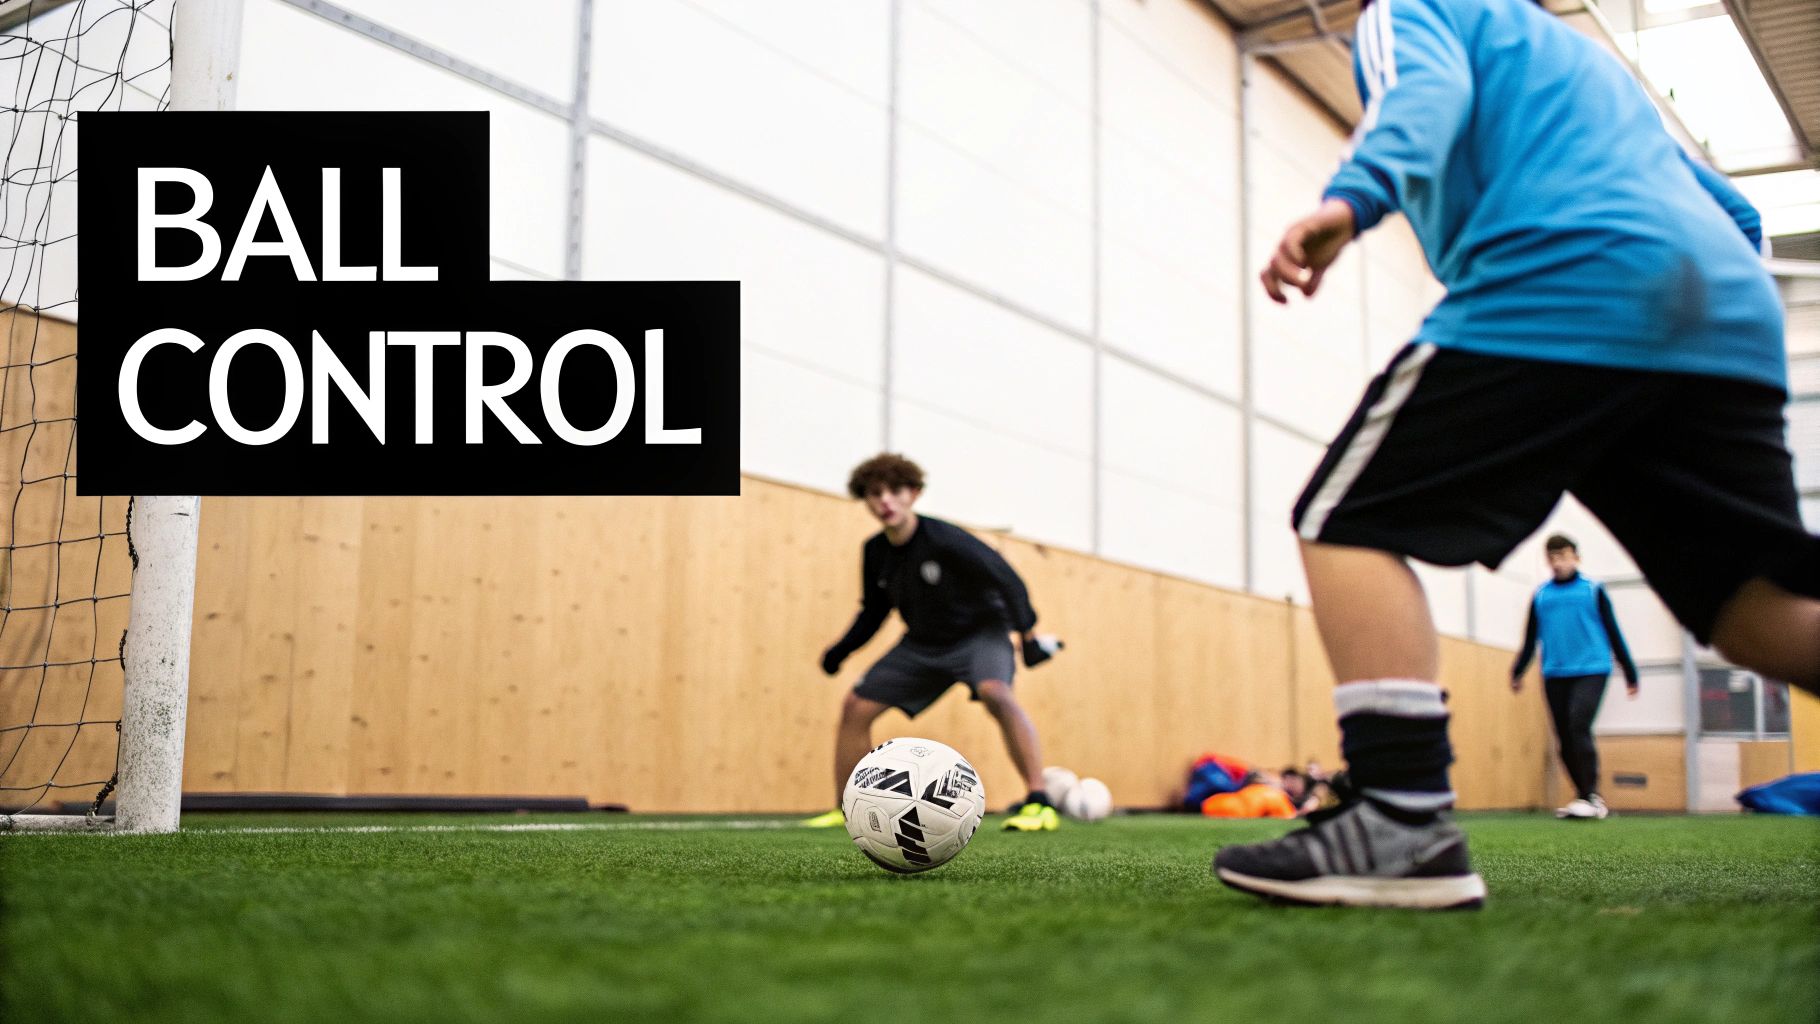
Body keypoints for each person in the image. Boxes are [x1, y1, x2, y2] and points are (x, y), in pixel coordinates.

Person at [1214, 0, 1820, 909]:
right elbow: (1731, 208)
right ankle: (1400, 825)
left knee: (1343, 520)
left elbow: (1423, 96)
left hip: (1567, 276)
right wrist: (1683, 315)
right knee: (1758, 610)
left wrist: (1349, 204)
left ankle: (1402, 824)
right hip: (1721, 308)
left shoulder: (1409, 11)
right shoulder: (1577, 59)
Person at [802, 453, 1065, 833]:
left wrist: (1027, 636)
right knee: (855, 707)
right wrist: (840, 651)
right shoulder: (875, 552)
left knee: (996, 692)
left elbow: (1008, 580)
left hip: (980, 633)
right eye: (875, 494)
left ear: (914, 494)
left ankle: (1040, 802)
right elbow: (874, 611)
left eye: (894, 491)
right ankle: (847, 807)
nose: (885, 501)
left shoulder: (946, 540)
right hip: (923, 644)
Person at [1511, 534, 1640, 820]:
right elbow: (1530, 638)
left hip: (1592, 668)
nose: (1558, 562)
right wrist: (1518, 670)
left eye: (1563, 556)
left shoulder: (1593, 590)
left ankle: (1592, 794)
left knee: (1578, 722)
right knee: (1563, 735)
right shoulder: (1542, 595)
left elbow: (1613, 631)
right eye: (1553, 557)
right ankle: (1584, 796)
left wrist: (1629, 671)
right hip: (1555, 671)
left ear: (1576, 558)